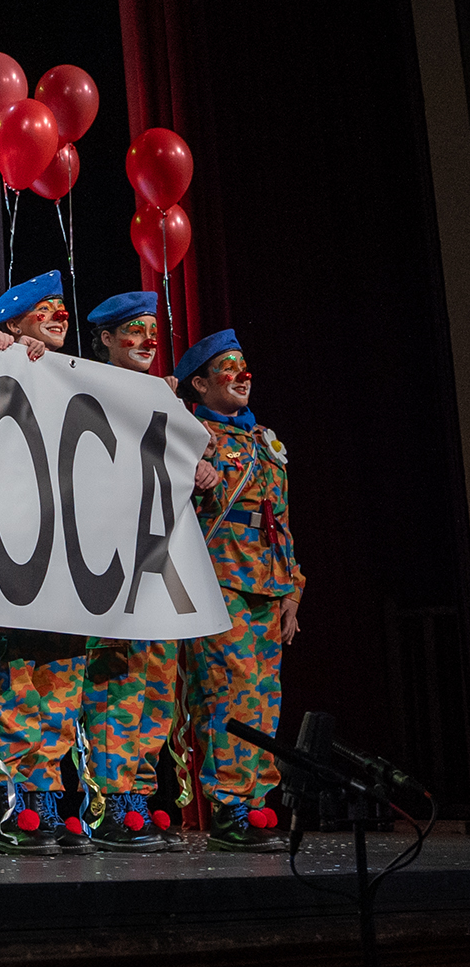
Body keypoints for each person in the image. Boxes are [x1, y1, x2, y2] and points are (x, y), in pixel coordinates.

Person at [0, 270, 85, 854]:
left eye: (63, 308)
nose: (60, 317)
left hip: (66, 564)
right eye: (45, 310)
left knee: (60, 690)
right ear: (14, 324)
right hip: (4, 562)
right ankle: (17, 803)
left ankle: (46, 799)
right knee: (12, 688)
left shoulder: (79, 381)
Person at [179, 329, 299, 851]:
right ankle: (229, 805)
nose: (242, 375)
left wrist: (294, 591)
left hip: (268, 585)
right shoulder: (186, 432)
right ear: (201, 384)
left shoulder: (265, 440)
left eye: (244, 365)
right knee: (230, 691)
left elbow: (283, 520)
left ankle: (256, 803)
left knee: (265, 698)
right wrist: (188, 462)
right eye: (228, 368)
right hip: (219, 577)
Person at [75, 290, 181, 851]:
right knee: (115, 687)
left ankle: (139, 799)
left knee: (155, 689)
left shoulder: (168, 399)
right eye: (132, 333)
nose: (146, 342)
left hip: (158, 567)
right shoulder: (80, 389)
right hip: (107, 564)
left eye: (151, 332)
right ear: (107, 341)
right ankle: (112, 805)